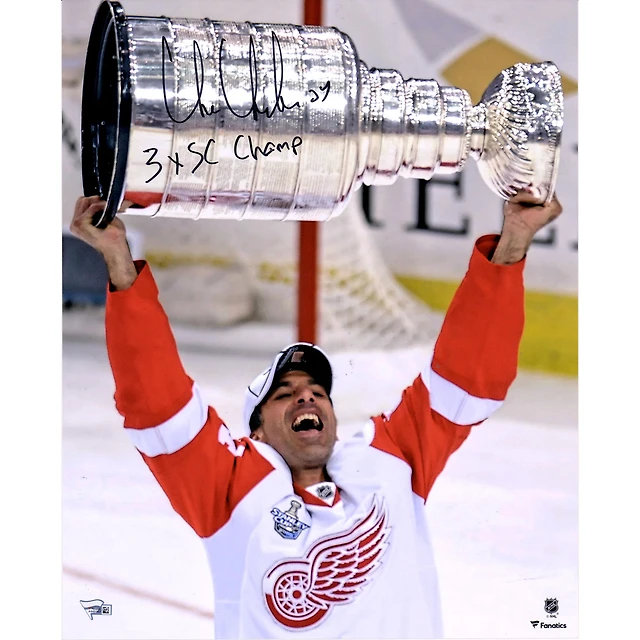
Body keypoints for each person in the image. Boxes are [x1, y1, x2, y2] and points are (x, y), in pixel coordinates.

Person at [70, 190, 562, 639]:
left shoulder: (388, 460)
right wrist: (119, 262)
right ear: (257, 432)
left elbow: (467, 377)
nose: (306, 398)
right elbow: (156, 403)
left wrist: (513, 243)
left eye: (317, 391)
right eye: (284, 393)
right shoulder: (228, 489)